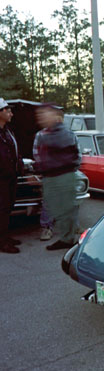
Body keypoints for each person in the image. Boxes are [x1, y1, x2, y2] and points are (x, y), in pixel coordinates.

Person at [33, 103, 81, 250]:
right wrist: (40, 170)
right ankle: (66, 238)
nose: (41, 117)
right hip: (50, 177)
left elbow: (76, 155)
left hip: (64, 176)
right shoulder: (41, 135)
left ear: (55, 116)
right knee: (56, 209)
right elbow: (37, 155)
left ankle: (70, 240)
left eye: (44, 113)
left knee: (68, 209)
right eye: (39, 114)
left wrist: (69, 170)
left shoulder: (67, 134)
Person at [0, 98, 21, 254]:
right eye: (8, 111)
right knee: (2, 209)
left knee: (8, 208)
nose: (11, 114)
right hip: (1, 178)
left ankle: (6, 236)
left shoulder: (7, 131)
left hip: (10, 177)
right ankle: (2, 242)